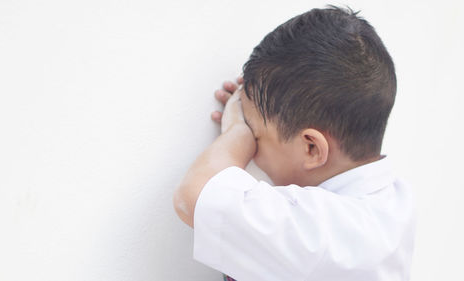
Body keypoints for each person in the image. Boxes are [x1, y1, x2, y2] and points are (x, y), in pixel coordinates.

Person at [173, 5, 416, 281]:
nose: (253, 151)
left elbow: (193, 196)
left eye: (256, 136)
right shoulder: (393, 200)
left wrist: (235, 131)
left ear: (311, 148)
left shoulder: (321, 236)